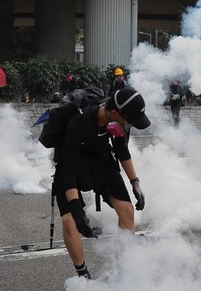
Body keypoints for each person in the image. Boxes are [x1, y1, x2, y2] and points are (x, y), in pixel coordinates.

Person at [53, 87, 151, 279]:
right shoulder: (79, 122)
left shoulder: (117, 123)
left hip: (100, 159)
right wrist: (76, 209)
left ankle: (125, 271)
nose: (129, 125)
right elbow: (69, 172)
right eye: (128, 121)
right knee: (69, 220)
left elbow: (122, 152)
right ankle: (83, 275)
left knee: (127, 210)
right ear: (114, 113)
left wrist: (135, 183)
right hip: (72, 162)